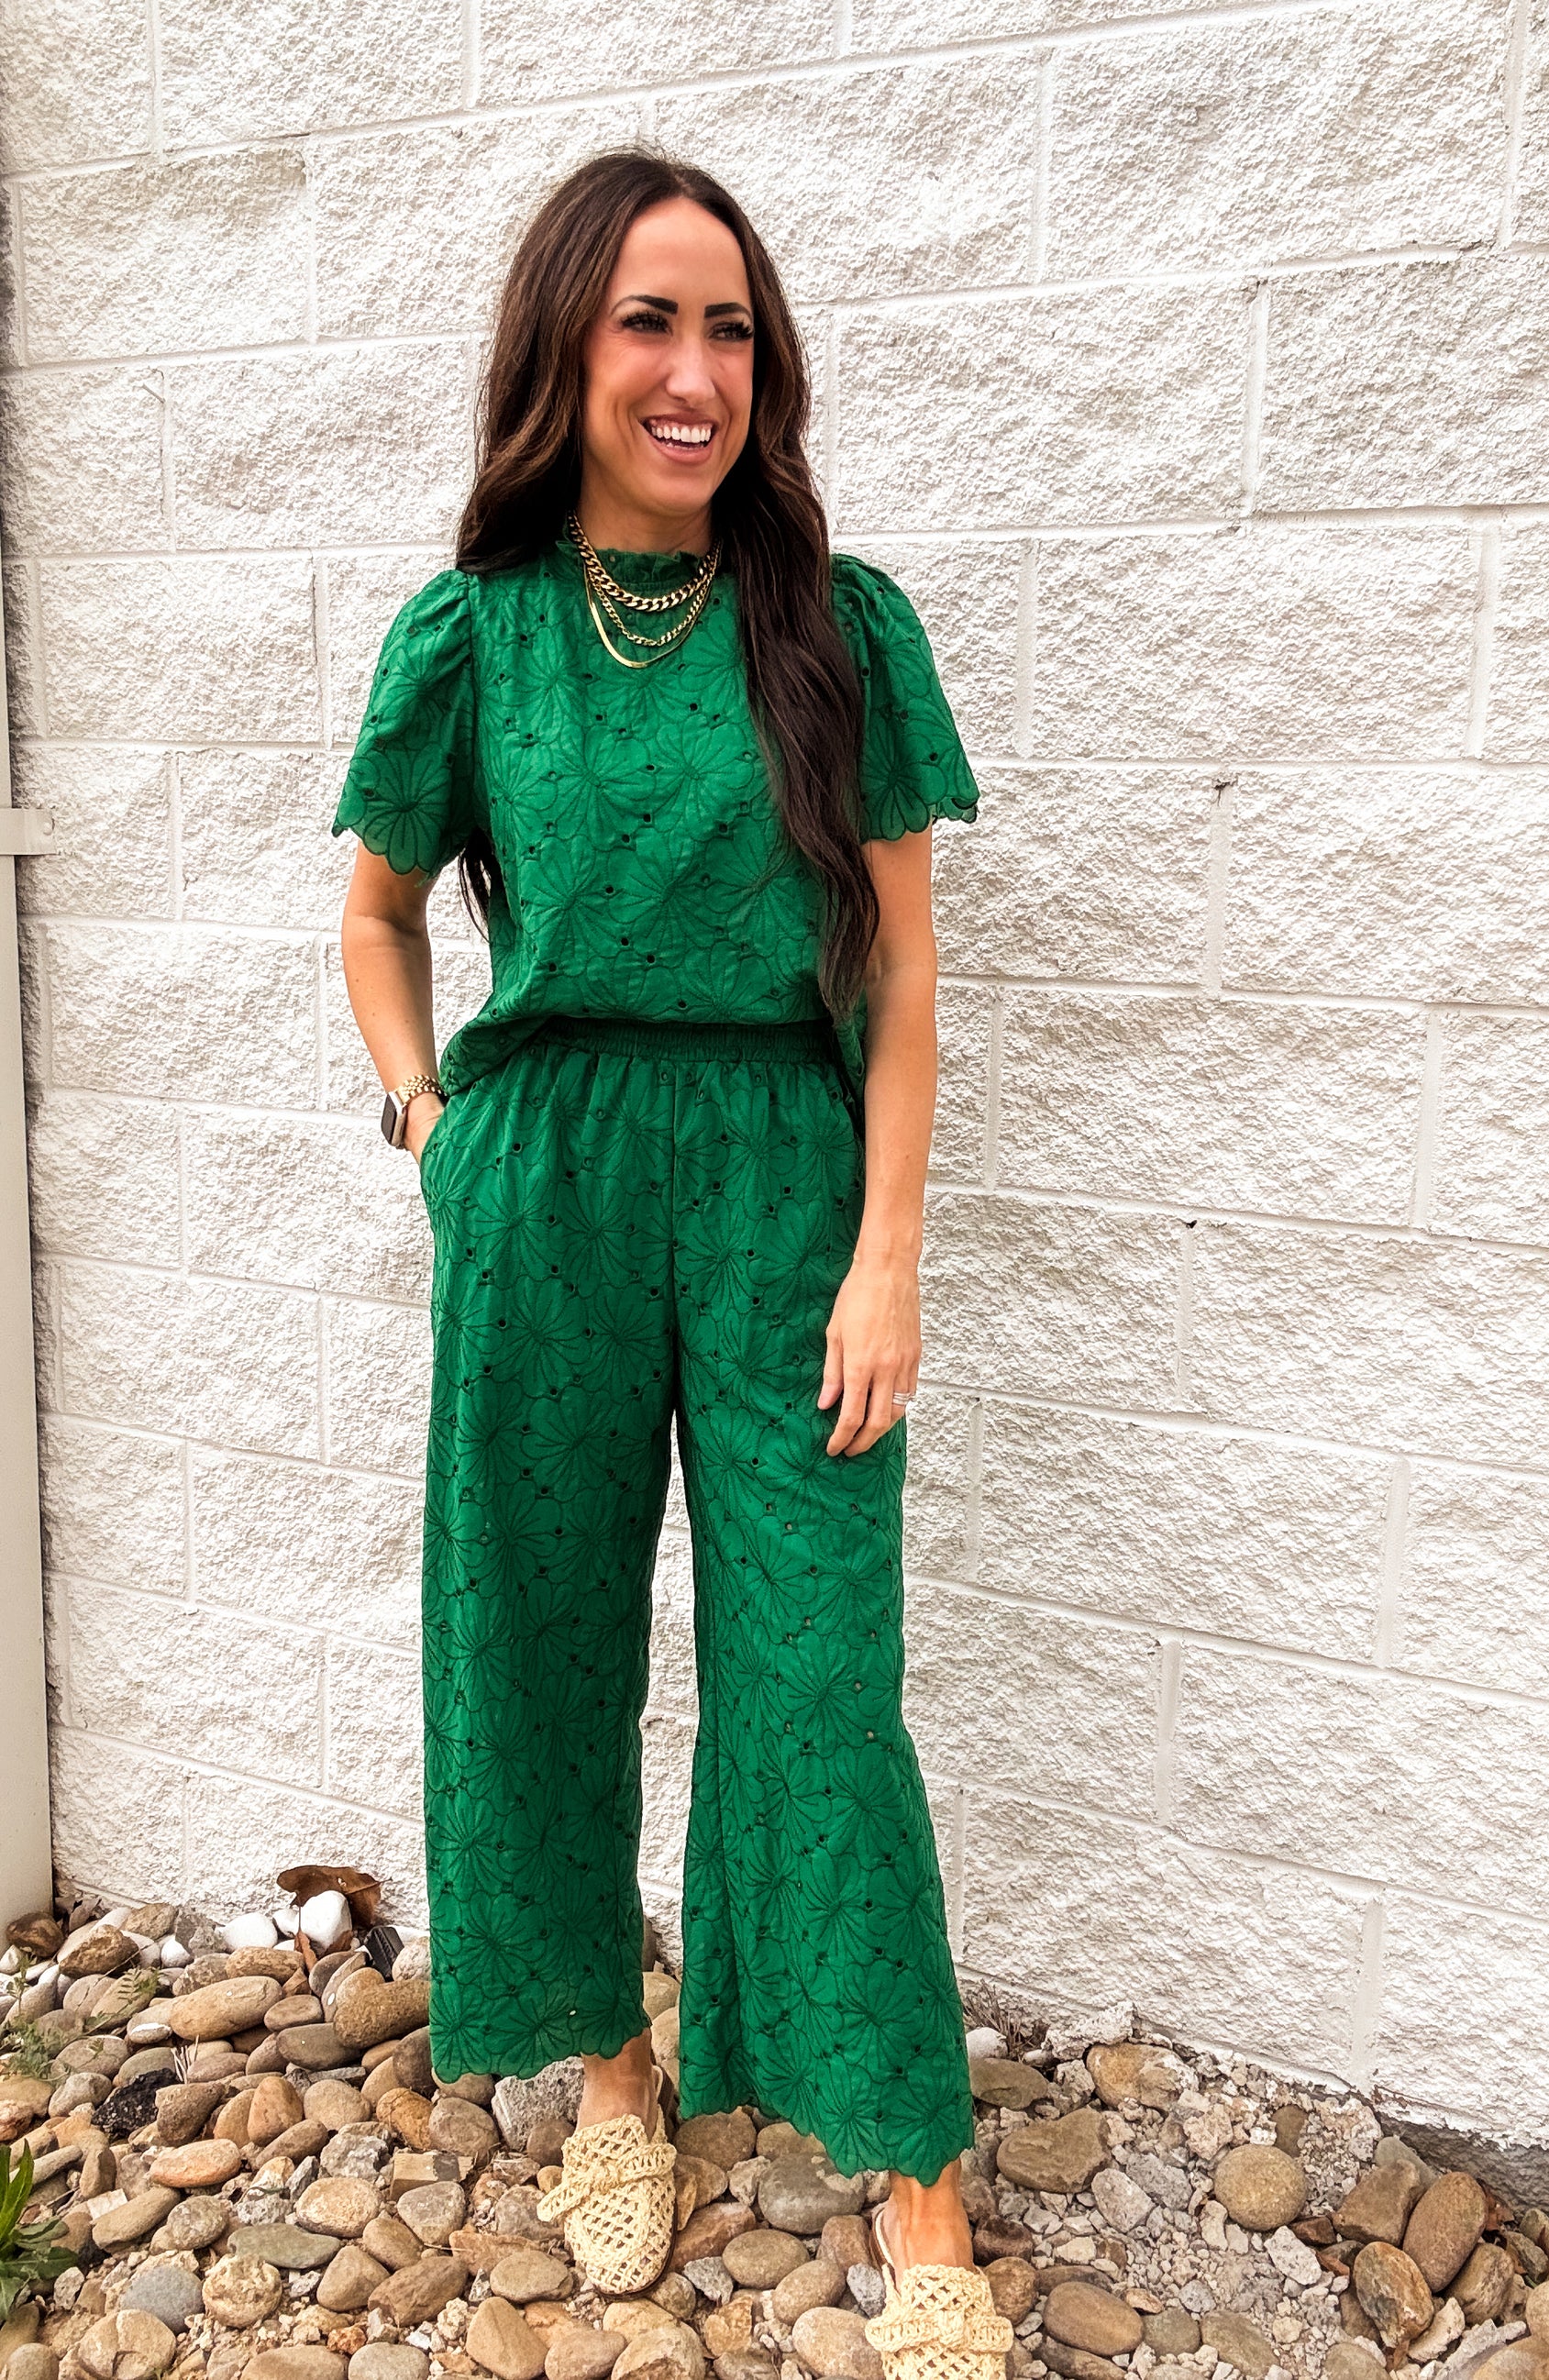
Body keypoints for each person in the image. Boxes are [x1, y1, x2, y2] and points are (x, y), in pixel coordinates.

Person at [334, 149, 1012, 2380]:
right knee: (530, 1641)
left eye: (729, 325)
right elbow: (375, 912)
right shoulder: (472, 630)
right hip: (541, 1180)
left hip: (782, 1177)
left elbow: (899, 975)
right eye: (649, 319)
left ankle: (912, 2166)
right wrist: (430, 1123)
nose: (694, 368)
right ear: (568, 345)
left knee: (818, 1669)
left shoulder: (841, 625)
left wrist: (888, 1248)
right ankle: (611, 2075)